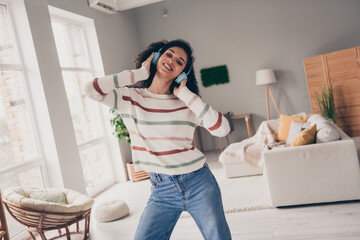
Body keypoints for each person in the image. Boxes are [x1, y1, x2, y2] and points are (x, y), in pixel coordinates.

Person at [84, 39, 232, 240]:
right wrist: (138, 74)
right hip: (162, 191)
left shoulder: (187, 103)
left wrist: (186, 94)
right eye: (169, 54)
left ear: (182, 72)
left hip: (199, 184)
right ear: (156, 57)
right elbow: (90, 89)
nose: (172, 61)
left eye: (180, 62)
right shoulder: (130, 98)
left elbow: (223, 129)